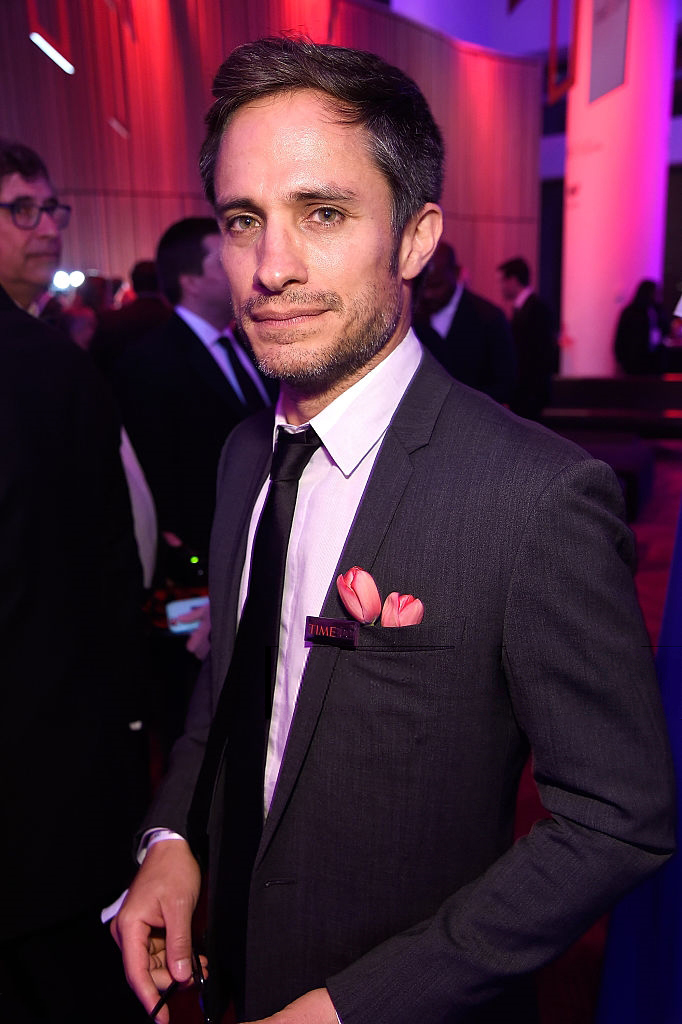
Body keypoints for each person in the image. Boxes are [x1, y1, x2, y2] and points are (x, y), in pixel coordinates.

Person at [111, 39, 675, 1024]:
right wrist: (170, 842)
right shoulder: (246, 451)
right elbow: (227, 696)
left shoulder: (536, 496)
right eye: (244, 220)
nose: (270, 268)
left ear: (414, 239)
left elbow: (615, 819)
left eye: (322, 213)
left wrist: (354, 1007)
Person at [0, 139, 149, 1021]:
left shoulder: (57, 357)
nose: (46, 226)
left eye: (51, 208)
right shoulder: (51, 366)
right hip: (48, 774)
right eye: (20, 208)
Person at [117, 216, 273, 567]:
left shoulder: (254, 342)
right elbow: (154, 468)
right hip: (206, 549)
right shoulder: (150, 361)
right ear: (191, 282)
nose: (243, 263)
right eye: (222, 258)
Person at [413, 240, 517, 403]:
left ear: (455, 273)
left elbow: (505, 384)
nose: (429, 294)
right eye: (424, 286)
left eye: (437, 285)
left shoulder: (489, 318)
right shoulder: (413, 317)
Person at [497, 256, 558, 419]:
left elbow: (541, 353)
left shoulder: (536, 309)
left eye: (503, 281)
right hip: (525, 391)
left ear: (513, 280)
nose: (501, 287)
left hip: (531, 392)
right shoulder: (525, 308)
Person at [614, 279, 668, 375]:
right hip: (634, 361)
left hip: (655, 361)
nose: (656, 296)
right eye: (654, 293)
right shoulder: (631, 312)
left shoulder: (658, 311)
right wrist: (623, 360)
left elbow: (664, 330)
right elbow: (621, 338)